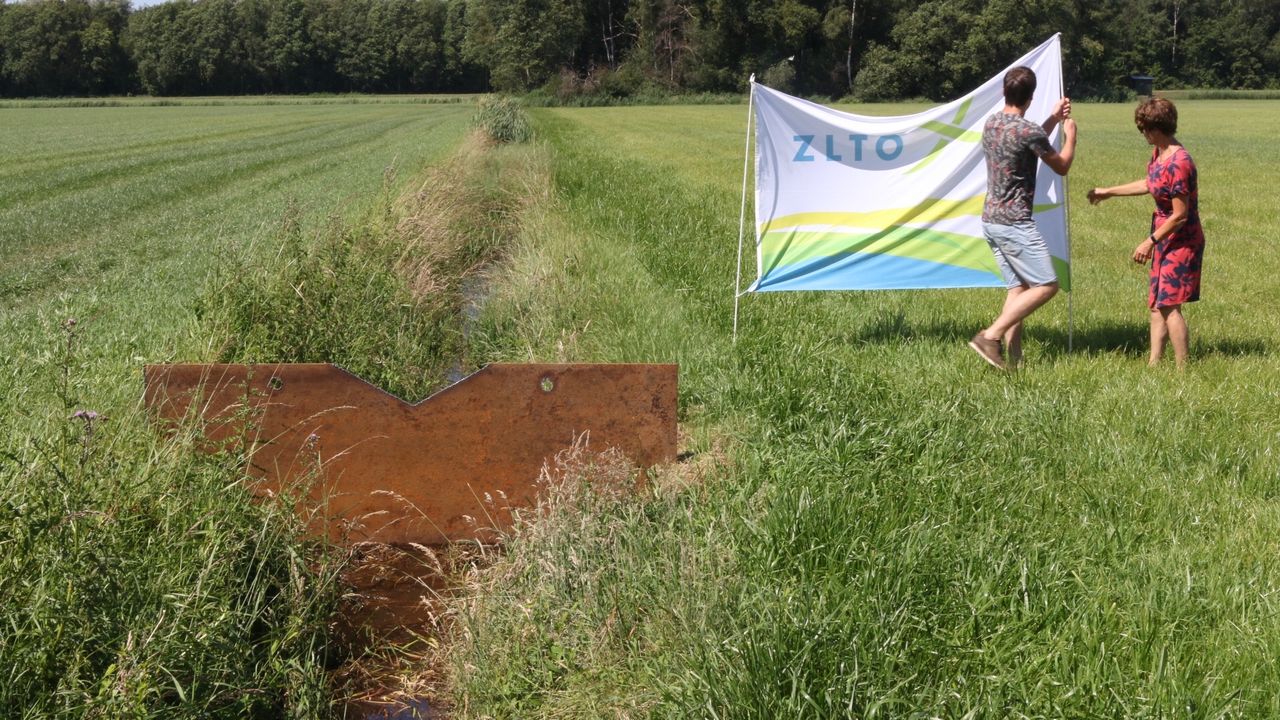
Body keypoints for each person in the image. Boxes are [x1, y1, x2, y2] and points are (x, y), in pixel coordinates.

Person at [968, 66, 1077, 370]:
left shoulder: (992, 124)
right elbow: (1062, 165)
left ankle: (1013, 360)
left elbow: (1026, 142)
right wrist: (1071, 136)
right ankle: (990, 336)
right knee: (1047, 285)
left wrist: (1054, 119)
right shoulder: (1029, 131)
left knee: (1018, 290)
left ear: (1005, 92)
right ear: (1030, 97)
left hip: (990, 220)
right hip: (1014, 223)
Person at [1087, 97, 1203, 369]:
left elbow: (1180, 215)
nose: (1143, 135)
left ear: (1155, 128)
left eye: (1144, 130)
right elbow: (1150, 183)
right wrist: (1108, 192)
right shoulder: (1160, 154)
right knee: (1156, 304)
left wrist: (1148, 242)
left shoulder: (1179, 163)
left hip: (1181, 239)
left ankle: (1182, 371)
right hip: (1164, 236)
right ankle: (1153, 364)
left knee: (1170, 304)